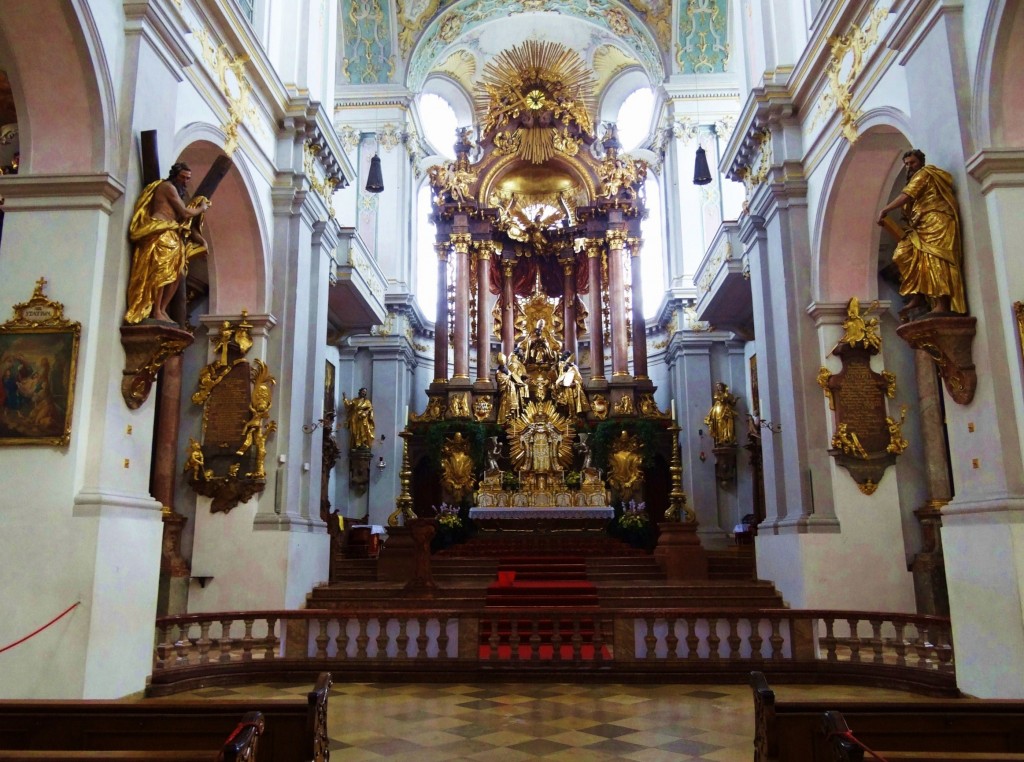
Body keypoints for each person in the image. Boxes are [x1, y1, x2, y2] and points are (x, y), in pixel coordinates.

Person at [877, 149, 966, 318]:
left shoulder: (924, 174)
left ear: (921, 162)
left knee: (935, 258)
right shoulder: (914, 178)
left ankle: (942, 302)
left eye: (912, 163)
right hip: (920, 225)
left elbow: (907, 195)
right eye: (906, 164)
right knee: (903, 254)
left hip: (936, 220)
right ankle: (918, 294)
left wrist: (885, 209)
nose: (909, 167)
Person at [124, 163, 210, 324]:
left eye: (188, 179)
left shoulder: (176, 191)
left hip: (172, 231)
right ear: (174, 176)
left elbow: (183, 220)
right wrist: (201, 208)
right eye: (182, 177)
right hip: (161, 230)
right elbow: (184, 212)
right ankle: (155, 310)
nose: (185, 181)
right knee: (161, 271)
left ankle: (162, 309)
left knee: (176, 272)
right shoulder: (167, 187)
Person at [704, 382, 738, 447]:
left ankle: (728, 438)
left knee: (728, 424)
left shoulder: (729, 394)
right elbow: (721, 399)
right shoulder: (717, 394)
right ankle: (720, 439)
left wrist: (734, 401)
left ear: (723, 386)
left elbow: (732, 403)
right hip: (719, 410)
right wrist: (725, 396)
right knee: (720, 423)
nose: (719, 387)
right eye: (717, 386)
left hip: (727, 410)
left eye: (720, 386)